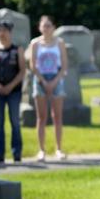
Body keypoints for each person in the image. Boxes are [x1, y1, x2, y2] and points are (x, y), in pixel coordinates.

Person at [29, 15, 68, 161]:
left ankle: (58, 149)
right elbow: (33, 65)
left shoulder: (60, 43)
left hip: (57, 79)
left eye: (49, 25)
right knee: (41, 117)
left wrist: (54, 81)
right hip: (40, 80)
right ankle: (41, 150)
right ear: (39, 27)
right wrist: (44, 81)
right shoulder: (35, 43)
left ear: (54, 27)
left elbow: (64, 65)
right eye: (44, 25)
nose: (46, 28)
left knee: (57, 117)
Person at [0, 20, 26, 163]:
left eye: (4, 30)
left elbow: (22, 71)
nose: (1, 33)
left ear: (10, 32)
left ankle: (16, 153)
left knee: (15, 122)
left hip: (13, 91)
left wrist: (10, 86)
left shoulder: (17, 50)